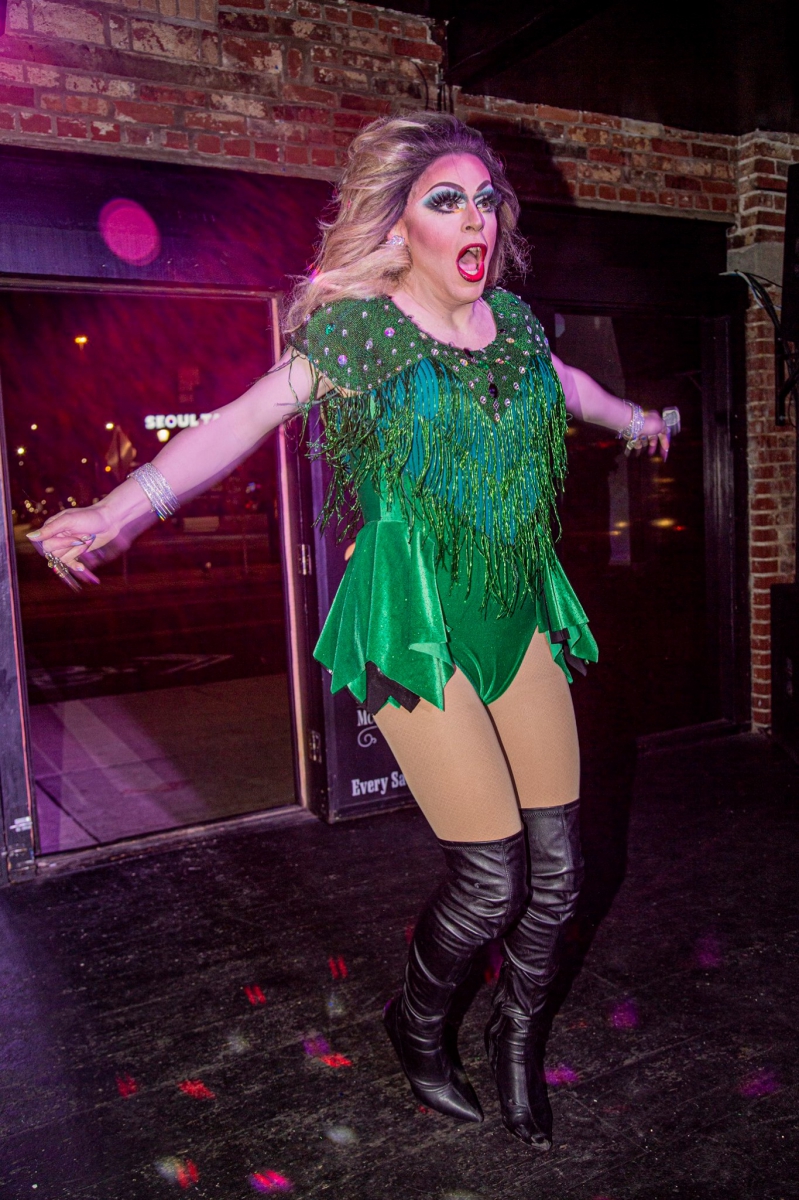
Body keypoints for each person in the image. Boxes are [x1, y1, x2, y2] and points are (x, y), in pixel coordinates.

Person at [31, 112, 674, 1151]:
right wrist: (117, 511)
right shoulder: (360, 334)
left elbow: (574, 392)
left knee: (559, 872)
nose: (475, 218)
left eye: (485, 200)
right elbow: (239, 421)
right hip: (411, 619)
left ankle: (515, 1038)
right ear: (398, 224)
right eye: (445, 200)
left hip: (514, 610)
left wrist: (642, 422)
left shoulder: (513, 325)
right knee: (492, 876)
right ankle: (416, 1026)